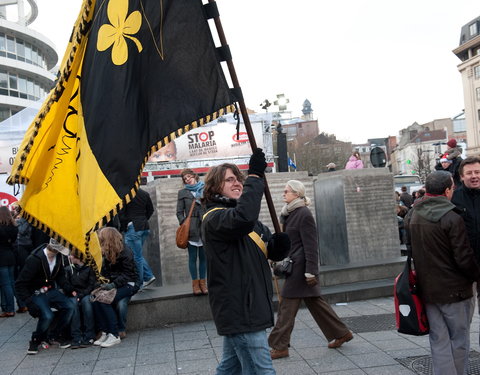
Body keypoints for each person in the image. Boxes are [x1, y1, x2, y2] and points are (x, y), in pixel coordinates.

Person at [201, 149, 290, 375]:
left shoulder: (249, 222)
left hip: (250, 306)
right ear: (214, 187)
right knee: (263, 370)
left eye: (239, 179)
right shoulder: (214, 218)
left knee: (230, 368)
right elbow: (242, 219)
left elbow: (267, 251)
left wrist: (278, 247)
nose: (237, 183)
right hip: (240, 309)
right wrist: (254, 177)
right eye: (230, 180)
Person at [405, 170, 479, 375]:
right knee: (459, 339)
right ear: (447, 191)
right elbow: (463, 258)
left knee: (438, 339)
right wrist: (476, 275)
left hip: (428, 290)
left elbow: (410, 249)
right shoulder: (452, 218)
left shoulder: (413, 214)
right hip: (456, 290)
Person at [268, 180, 352, 359]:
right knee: (316, 304)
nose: (283, 194)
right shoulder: (291, 213)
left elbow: (311, 245)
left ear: (296, 194)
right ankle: (341, 333)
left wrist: (311, 271)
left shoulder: (303, 214)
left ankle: (279, 346)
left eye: (286, 191)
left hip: (301, 270)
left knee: (286, 308)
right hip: (296, 266)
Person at [15, 238, 75, 354]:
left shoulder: (57, 257)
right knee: (47, 315)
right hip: (36, 293)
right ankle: (35, 340)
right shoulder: (34, 260)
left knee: (70, 307)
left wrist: (69, 288)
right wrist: (28, 302)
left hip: (50, 290)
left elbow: (60, 276)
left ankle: (54, 335)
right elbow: (20, 284)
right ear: (55, 250)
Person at [92, 227, 137, 348]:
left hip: (128, 284)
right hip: (117, 284)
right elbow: (106, 273)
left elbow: (128, 275)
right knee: (96, 299)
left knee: (104, 300)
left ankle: (114, 334)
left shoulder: (126, 252)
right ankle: (105, 331)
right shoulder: (108, 251)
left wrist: (112, 285)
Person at [451, 156, 480, 333]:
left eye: (477, 172)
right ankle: (462, 354)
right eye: (469, 173)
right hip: (464, 266)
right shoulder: (455, 198)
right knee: (464, 318)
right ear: (462, 177)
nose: (474, 176)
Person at [176, 169, 207, 295]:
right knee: (193, 258)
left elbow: (210, 206)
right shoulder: (182, 193)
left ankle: (203, 284)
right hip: (191, 229)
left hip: (205, 227)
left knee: (204, 258)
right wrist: (184, 224)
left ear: (194, 176)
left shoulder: (205, 189)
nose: (187, 179)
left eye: (188, 177)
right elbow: (179, 212)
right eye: (185, 179)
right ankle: (195, 284)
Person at [120, 188, 156, 289]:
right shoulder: (144, 193)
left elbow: (121, 213)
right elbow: (151, 210)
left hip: (133, 228)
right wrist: (142, 220)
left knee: (135, 256)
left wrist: (125, 225)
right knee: (138, 255)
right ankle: (148, 276)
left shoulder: (126, 194)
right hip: (144, 226)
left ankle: (138, 284)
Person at [63, 252, 96, 348]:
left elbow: (91, 286)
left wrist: (80, 296)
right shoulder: (69, 269)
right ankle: (76, 336)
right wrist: (72, 293)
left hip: (85, 293)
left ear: (78, 257)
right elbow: (67, 286)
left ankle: (89, 335)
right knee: (73, 304)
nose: (69, 257)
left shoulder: (89, 268)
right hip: (73, 294)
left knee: (87, 303)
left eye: (71, 255)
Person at [0, 206, 18, 317]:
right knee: (12, 282)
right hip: (11, 256)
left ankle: (10, 309)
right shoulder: (14, 227)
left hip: (1, 257)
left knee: (5, 284)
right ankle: (22, 304)